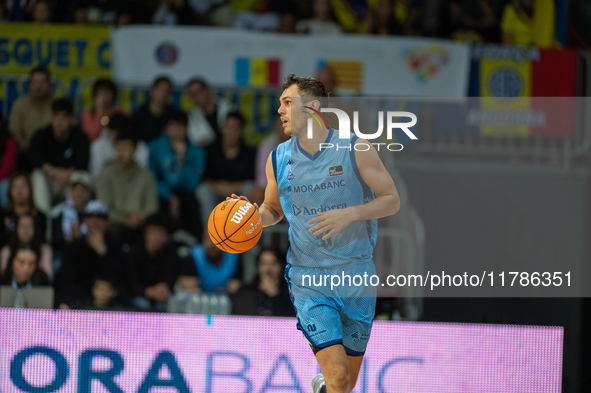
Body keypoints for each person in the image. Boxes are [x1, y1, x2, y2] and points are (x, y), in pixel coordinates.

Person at [229, 74, 400, 393]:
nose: (279, 110)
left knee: (344, 384)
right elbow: (273, 209)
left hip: (356, 277)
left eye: (287, 102)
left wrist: (351, 213)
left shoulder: (355, 147)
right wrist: (252, 216)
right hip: (309, 278)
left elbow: (392, 200)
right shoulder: (278, 157)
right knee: (338, 378)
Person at [55, 200, 126, 309]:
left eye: (100, 218)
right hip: (80, 303)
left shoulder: (115, 247)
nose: (96, 222)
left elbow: (120, 279)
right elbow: (66, 282)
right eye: (92, 218)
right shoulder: (74, 247)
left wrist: (103, 253)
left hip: (109, 304)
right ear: (85, 221)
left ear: (108, 223)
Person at [96, 128, 159, 243]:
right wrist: (125, 219)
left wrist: (140, 217)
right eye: (118, 147)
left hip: (140, 223)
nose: (121, 152)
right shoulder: (105, 175)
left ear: (135, 150)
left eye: (125, 148)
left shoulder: (146, 176)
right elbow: (104, 208)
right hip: (115, 224)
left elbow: (152, 208)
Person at [149, 110, 205, 239]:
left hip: (187, 193)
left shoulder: (197, 152)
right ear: (166, 128)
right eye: (173, 126)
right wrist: (170, 196)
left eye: (180, 127)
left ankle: (195, 243)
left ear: (187, 129)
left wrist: (181, 160)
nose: (176, 131)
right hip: (163, 193)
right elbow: (152, 179)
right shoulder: (155, 148)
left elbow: (194, 183)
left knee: (191, 202)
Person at [29, 98, 90, 215]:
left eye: (64, 117)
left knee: (81, 177)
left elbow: (82, 162)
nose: (59, 121)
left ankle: (73, 219)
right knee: (37, 175)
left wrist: (67, 174)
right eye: (56, 117)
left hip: (69, 179)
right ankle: (44, 219)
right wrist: (54, 171)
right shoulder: (41, 135)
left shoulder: (80, 137)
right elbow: (35, 157)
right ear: (51, 118)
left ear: (71, 118)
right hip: (50, 180)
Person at [196, 111, 256, 229]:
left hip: (239, 196)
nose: (231, 132)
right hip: (216, 193)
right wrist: (221, 188)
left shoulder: (250, 152)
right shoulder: (211, 150)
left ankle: (243, 230)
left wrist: (230, 189)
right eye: (228, 128)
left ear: (241, 131)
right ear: (222, 129)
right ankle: (210, 232)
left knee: (251, 188)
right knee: (202, 190)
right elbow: (205, 178)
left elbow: (251, 180)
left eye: (235, 129)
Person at [126, 214, 194, 311]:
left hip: (161, 298)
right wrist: (148, 291)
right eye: (152, 232)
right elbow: (130, 283)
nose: (156, 237)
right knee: (142, 304)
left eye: (161, 232)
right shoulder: (133, 253)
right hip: (138, 296)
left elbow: (171, 280)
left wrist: (164, 289)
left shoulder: (172, 254)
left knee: (169, 305)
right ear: (145, 232)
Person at [8, 66, 52, 169]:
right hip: (26, 153)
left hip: (52, 153)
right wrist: (29, 146)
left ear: (50, 85)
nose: (38, 87)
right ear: (29, 85)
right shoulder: (20, 104)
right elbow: (14, 132)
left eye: (42, 82)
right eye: (35, 83)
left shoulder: (57, 107)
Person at [232, 247, 294, 317]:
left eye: (273, 263)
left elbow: (291, 318)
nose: (268, 268)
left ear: (281, 266)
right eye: (264, 263)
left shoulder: (291, 292)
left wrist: (274, 295)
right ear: (258, 266)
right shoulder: (246, 290)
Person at [89, 113, 149, 181]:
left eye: (118, 132)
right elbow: (96, 175)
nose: (115, 136)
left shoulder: (140, 147)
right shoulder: (98, 146)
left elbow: (142, 174)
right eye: (112, 131)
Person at [50, 170, 93, 256]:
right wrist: (69, 239)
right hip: (64, 256)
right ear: (70, 190)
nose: (78, 193)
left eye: (83, 189)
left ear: (89, 192)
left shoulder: (97, 211)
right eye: (75, 188)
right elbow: (54, 243)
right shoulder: (58, 212)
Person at [0, 213, 53, 281]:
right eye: (22, 225)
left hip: (36, 286)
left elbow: (48, 279)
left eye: (29, 226)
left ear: (35, 228)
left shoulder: (45, 250)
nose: (25, 229)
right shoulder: (6, 251)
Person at [0, 172, 47, 247]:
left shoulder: (39, 216)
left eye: (22, 186)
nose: (19, 191)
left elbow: (41, 242)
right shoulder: (3, 214)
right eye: (15, 186)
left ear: (30, 189)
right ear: (9, 191)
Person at [186, 78, 234, 146]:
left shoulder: (228, 108)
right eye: (193, 94)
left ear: (207, 89)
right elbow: (196, 140)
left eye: (198, 92)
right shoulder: (191, 116)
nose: (197, 97)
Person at [81, 78, 126, 143]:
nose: (104, 95)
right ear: (95, 95)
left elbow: (124, 136)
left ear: (113, 94)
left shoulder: (119, 112)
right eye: (101, 92)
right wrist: (100, 111)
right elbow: (91, 136)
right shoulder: (88, 114)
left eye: (107, 91)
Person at [132, 76, 174, 142]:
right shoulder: (138, 115)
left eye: (167, 91)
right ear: (152, 90)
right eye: (161, 90)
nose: (163, 94)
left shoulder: (173, 115)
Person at [0, 112, 18, 207]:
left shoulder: (10, 141)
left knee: (4, 186)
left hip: (5, 180)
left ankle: (5, 218)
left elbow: (6, 169)